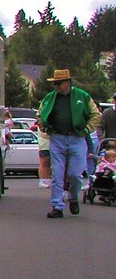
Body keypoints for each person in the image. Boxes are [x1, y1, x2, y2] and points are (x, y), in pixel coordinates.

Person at [38, 69, 101, 218]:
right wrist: (44, 126)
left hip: (76, 139)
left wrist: (86, 130)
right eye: (55, 83)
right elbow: (40, 114)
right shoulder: (50, 98)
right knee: (57, 174)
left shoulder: (82, 96)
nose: (56, 86)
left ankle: (73, 198)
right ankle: (57, 206)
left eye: (59, 83)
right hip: (57, 138)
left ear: (68, 83)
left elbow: (95, 115)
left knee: (75, 174)